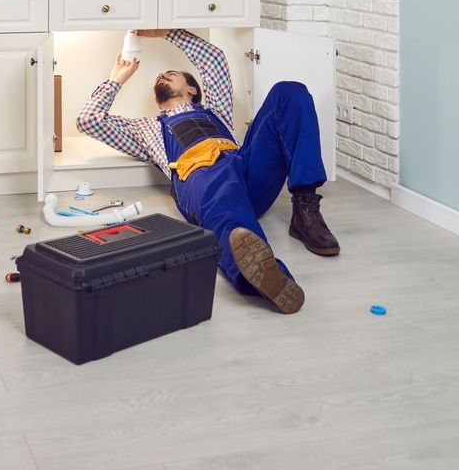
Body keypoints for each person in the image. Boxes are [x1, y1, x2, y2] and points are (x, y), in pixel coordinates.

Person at [76, 29, 339, 314]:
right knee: (228, 211)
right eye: (160, 76)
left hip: (244, 166)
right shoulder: (145, 128)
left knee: (290, 91)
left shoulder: (216, 109)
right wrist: (118, 78)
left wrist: (167, 32)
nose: (161, 75)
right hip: (200, 177)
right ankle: (270, 278)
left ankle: (305, 208)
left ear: (192, 89)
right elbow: (89, 120)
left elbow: (213, 59)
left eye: (171, 73)